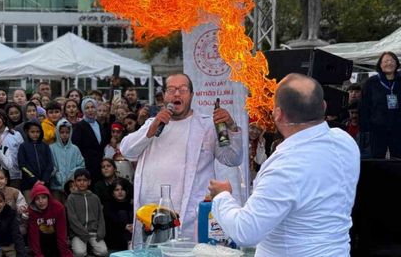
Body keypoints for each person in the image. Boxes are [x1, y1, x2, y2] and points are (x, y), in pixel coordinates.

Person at [209, 73, 360, 256]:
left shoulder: (286, 166)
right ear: (323, 106)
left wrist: (223, 196)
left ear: (278, 114)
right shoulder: (345, 141)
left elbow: (245, 231)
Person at [120, 73, 243, 246]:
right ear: (164, 96)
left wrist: (231, 127)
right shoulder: (152, 123)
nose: (177, 94)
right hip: (151, 216)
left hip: (188, 217)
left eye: (183, 90)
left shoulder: (206, 125)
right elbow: (127, 151)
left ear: (191, 95)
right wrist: (152, 127)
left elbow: (232, 159)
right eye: (171, 90)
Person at [359, 51, 401, 158]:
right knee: (377, 158)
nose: (389, 63)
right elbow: (364, 106)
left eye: (392, 60)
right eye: (386, 61)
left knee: (398, 158)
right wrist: (365, 127)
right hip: (377, 128)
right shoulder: (371, 82)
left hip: (398, 127)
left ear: (396, 64)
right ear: (380, 65)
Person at [65, 168, 108, 257]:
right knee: (79, 253)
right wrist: (83, 233)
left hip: (94, 232)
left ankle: (91, 248)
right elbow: (72, 219)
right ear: (75, 182)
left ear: (89, 182)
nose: (82, 183)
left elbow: (100, 217)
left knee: (103, 252)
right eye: (79, 180)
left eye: (85, 180)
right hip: (78, 233)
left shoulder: (95, 198)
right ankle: (83, 247)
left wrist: (100, 233)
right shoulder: (71, 198)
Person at [27, 182, 73, 257]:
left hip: (55, 238)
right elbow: (33, 235)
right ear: (33, 201)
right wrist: (38, 254)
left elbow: (61, 233)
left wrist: (64, 253)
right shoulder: (32, 211)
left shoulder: (58, 207)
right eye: (37, 198)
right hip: (41, 240)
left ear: (48, 197)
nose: (41, 201)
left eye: (44, 197)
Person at [71, 98, 110, 182]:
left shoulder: (98, 124)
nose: (90, 110)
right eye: (87, 108)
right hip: (86, 166)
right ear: (83, 110)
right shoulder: (79, 126)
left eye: (92, 107)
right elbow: (76, 147)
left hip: (100, 165)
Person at [50, 119, 85, 203]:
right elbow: (50, 165)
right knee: (57, 208)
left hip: (71, 187)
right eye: (62, 132)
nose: (65, 135)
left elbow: (81, 165)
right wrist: (57, 174)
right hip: (56, 186)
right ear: (58, 133)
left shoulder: (75, 149)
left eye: (67, 132)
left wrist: (71, 175)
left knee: (70, 208)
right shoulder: (51, 148)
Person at [17, 121, 53, 202]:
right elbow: (22, 165)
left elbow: (50, 164)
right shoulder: (23, 146)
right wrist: (34, 180)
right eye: (32, 132)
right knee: (31, 207)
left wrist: (44, 180)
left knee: (44, 206)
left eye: (37, 132)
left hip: (44, 184)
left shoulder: (45, 146)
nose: (35, 134)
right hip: (29, 184)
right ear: (27, 132)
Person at [103, 178, 134, 251]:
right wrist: (125, 226)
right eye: (117, 190)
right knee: (122, 213)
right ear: (113, 193)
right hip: (115, 238)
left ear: (126, 191)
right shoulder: (108, 206)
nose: (120, 192)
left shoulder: (130, 205)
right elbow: (111, 224)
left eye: (122, 189)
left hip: (131, 234)